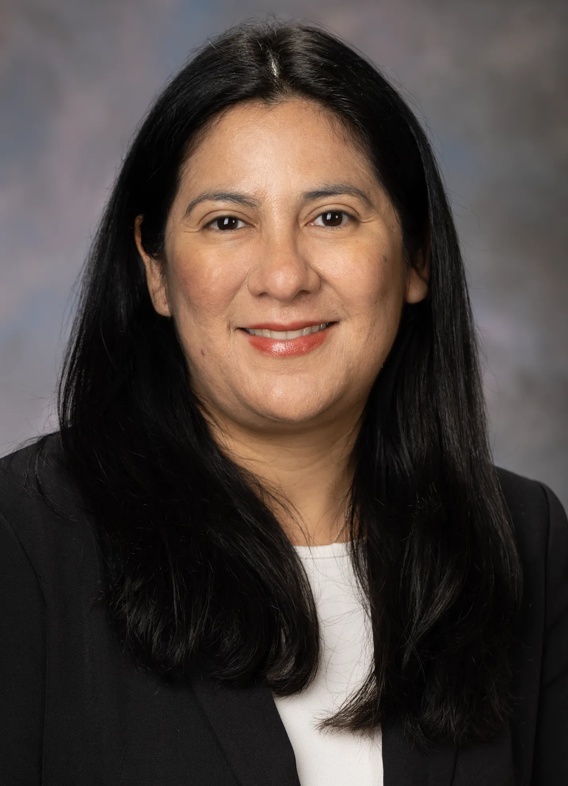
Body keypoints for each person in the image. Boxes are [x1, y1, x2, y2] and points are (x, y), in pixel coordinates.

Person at [0, 19, 566, 786]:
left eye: (332, 217)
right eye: (227, 222)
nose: (284, 276)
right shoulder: (23, 542)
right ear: (156, 270)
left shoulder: (524, 542)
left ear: (417, 255)